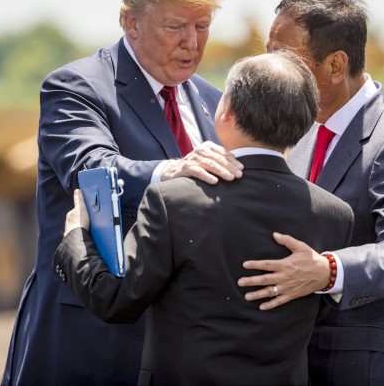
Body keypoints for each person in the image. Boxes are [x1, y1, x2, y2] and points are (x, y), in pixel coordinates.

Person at [1, 0, 244, 386]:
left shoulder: (214, 98)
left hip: (184, 349)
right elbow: (90, 168)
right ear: (130, 22)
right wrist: (171, 171)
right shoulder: (77, 87)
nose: (192, 42)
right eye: (175, 26)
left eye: (202, 26)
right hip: (92, 340)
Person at [54, 51, 355, 385]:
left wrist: (75, 240)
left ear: (225, 112)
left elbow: (115, 299)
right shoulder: (335, 214)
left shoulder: (174, 201)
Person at [237, 0, 384, 385]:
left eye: (285, 57)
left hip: (375, 370)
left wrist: (328, 271)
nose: (270, 68)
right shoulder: (297, 135)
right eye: (268, 51)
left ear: (335, 66)